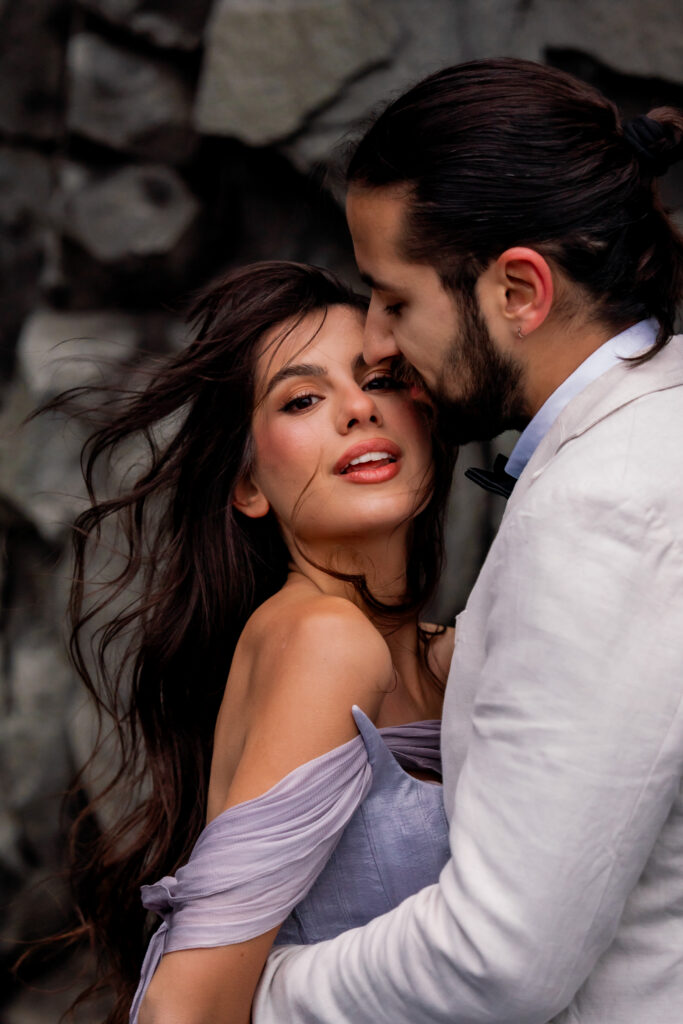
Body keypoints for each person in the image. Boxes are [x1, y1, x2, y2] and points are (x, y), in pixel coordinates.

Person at [252, 59, 683, 1023]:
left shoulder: (603, 509)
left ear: (518, 291)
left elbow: (497, 959)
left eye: (395, 299)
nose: (372, 341)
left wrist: (264, 995)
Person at [52, 260, 457, 1024]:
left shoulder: (451, 656)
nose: (354, 410)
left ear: (424, 412)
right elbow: (187, 1009)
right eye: (302, 398)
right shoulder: (322, 639)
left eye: (375, 379)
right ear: (247, 487)